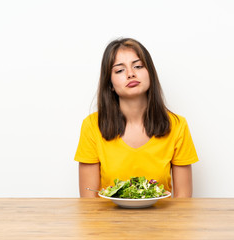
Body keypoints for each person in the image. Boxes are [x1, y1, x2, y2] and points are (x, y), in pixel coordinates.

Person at [74, 38, 198, 198]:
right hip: (107, 222)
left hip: (163, 222)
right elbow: (89, 202)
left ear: (150, 73)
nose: (131, 74)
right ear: (110, 84)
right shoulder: (92, 125)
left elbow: (183, 201)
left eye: (138, 66)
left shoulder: (177, 125)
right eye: (119, 70)